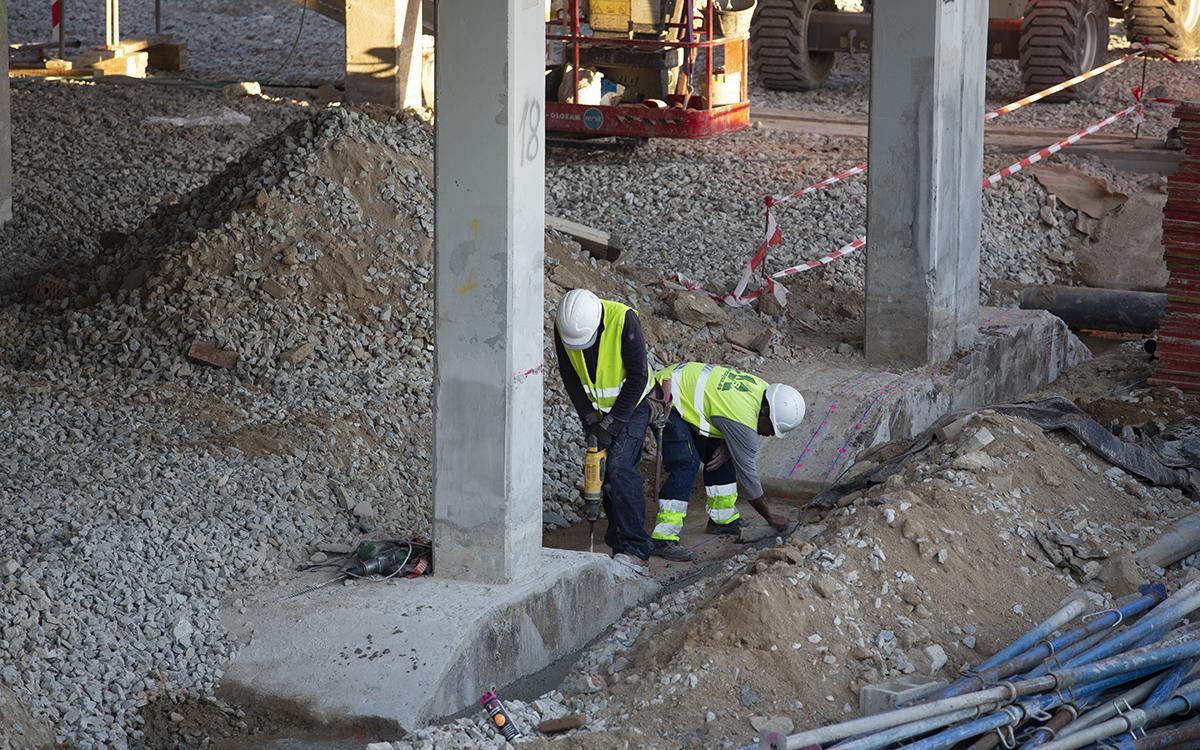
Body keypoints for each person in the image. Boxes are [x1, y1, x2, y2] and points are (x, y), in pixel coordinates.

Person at [649, 362, 805, 561]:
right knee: (686, 462)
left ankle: (722, 520)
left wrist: (727, 445)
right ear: (765, 411)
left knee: (722, 454)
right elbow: (749, 480)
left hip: (684, 387)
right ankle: (663, 538)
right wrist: (769, 516)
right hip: (665, 395)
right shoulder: (744, 422)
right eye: (772, 428)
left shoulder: (763, 390)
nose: (770, 434)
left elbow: (723, 408)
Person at [554, 288, 655, 571]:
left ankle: (638, 549)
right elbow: (570, 376)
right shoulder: (565, 325)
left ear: (598, 324)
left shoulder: (624, 320)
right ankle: (618, 545)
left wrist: (612, 425)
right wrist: (590, 420)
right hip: (598, 411)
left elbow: (638, 377)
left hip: (632, 406)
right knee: (603, 476)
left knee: (620, 468)